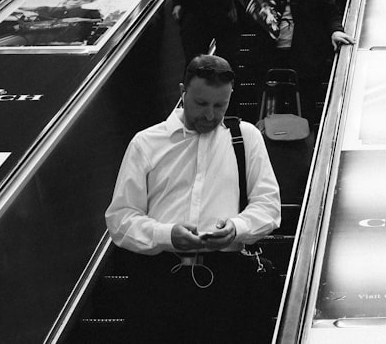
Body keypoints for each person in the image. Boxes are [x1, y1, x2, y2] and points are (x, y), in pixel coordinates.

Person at [105, 55, 283, 343]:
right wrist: (167, 234)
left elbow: (269, 206)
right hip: (157, 280)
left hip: (227, 282)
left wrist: (236, 228)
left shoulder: (246, 137)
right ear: (182, 92)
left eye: (220, 106)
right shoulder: (147, 143)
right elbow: (120, 219)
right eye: (201, 104)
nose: (211, 116)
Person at [258, 0, 354, 123]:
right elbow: (262, 4)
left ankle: (304, 143)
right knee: (275, 103)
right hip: (274, 49)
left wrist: (336, 30)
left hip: (308, 50)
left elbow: (330, 10)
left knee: (307, 103)